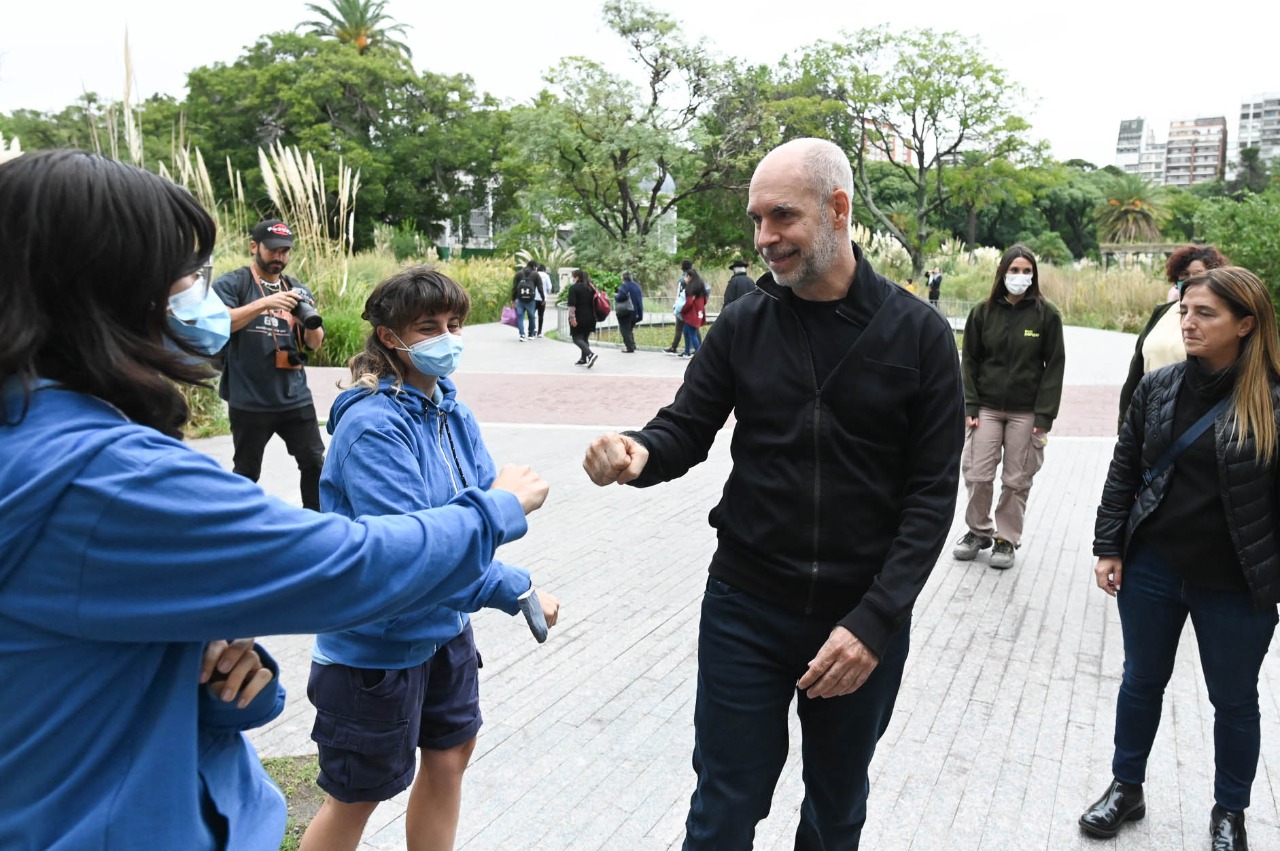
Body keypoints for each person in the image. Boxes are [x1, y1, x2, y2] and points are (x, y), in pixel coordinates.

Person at [0, 149, 549, 850]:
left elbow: (78, 677)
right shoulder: (110, 477)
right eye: (184, 280)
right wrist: (496, 511)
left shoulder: (35, 439)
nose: (201, 301)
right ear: (106, 295)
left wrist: (221, 674)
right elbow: (352, 568)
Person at [582, 138, 964, 850]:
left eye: (781, 216)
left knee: (836, 808)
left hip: (858, 617)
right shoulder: (745, 322)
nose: (764, 238)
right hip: (746, 606)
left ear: (838, 210)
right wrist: (636, 453)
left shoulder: (919, 336)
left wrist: (877, 620)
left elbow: (932, 495)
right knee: (724, 805)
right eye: (757, 219)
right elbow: (686, 427)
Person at [300, 267, 560, 851]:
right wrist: (514, 587)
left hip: (445, 631)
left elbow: (468, 532)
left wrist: (494, 548)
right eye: (428, 327)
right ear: (391, 337)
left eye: (455, 324)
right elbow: (418, 552)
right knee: (357, 795)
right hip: (375, 648)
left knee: (450, 757)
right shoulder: (371, 427)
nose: (448, 337)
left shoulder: (450, 410)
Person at [1083, 266, 1280, 851]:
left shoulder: (1271, 400)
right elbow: (1124, 471)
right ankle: (1126, 786)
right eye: (1185, 312)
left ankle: (1230, 812)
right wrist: (1108, 545)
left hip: (1237, 583)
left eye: (1206, 314)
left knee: (1235, 700)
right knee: (1141, 681)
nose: (1189, 323)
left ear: (1246, 325)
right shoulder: (1159, 386)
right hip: (1154, 570)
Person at [952, 246, 1066, 570]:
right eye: (1013, 270)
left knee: (1017, 480)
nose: (1020, 277)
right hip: (986, 407)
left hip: (1026, 411)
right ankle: (978, 531)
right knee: (977, 472)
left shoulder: (1047, 315)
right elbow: (969, 360)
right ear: (1002, 273)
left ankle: (1006, 538)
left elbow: (1054, 366)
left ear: (1034, 275)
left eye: (1026, 271)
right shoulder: (982, 312)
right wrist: (970, 404)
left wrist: (1045, 415)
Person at [213, 217, 327, 510]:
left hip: (294, 396)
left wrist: (310, 316)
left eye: (285, 251)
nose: (280, 257)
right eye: (274, 250)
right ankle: (241, 527)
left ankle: (315, 522)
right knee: (247, 472)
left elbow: (314, 343)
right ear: (255, 246)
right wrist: (265, 303)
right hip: (249, 398)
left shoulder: (295, 287)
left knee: (315, 462)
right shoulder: (234, 283)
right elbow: (221, 322)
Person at [1117, 245, 1232, 431]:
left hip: (1187, 416)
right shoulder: (1162, 312)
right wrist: (1124, 421)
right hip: (1147, 411)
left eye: (1198, 273)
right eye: (1184, 275)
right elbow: (1136, 370)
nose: (1190, 280)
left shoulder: (1218, 319)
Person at [567, 268, 599, 368]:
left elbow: (572, 305)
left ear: (577, 277)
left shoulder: (574, 288)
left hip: (579, 317)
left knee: (576, 338)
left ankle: (590, 354)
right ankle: (583, 359)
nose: (572, 279)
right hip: (591, 317)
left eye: (573, 277)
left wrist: (572, 318)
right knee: (584, 338)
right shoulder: (591, 287)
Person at [665, 259, 693, 354]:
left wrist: (676, 305)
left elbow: (679, 293)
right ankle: (693, 348)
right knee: (693, 328)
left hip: (682, 305)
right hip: (690, 306)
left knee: (680, 328)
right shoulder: (695, 277)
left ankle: (674, 347)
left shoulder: (683, 279)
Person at [679, 269, 708, 358]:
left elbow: (689, 303)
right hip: (698, 314)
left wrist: (682, 310)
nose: (685, 278)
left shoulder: (689, 289)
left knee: (692, 334)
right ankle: (687, 352)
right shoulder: (701, 289)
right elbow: (705, 301)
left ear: (690, 277)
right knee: (686, 332)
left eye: (686, 276)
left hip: (691, 315)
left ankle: (700, 354)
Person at [615, 270, 644, 353]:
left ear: (623, 277)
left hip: (627, 311)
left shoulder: (624, 286)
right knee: (629, 329)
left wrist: (616, 296)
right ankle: (632, 345)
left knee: (625, 330)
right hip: (637, 312)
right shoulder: (637, 286)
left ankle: (630, 347)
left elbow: (620, 297)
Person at [511, 264, 538, 341]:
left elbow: (514, 288)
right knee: (532, 316)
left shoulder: (518, 273)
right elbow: (540, 286)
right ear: (533, 267)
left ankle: (522, 335)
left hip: (519, 299)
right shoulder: (535, 274)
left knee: (520, 317)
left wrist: (513, 299)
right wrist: (543, 298)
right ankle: (531, 334)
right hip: (531, 300)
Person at [535, 263, 553, 337]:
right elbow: (549, 287)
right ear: (544, 269)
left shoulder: (534, 275)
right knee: (541, 315)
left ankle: (532, 330)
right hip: (543, 299)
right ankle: (539, 332)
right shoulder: (546, 276)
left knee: (532, 315)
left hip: (534, 298)